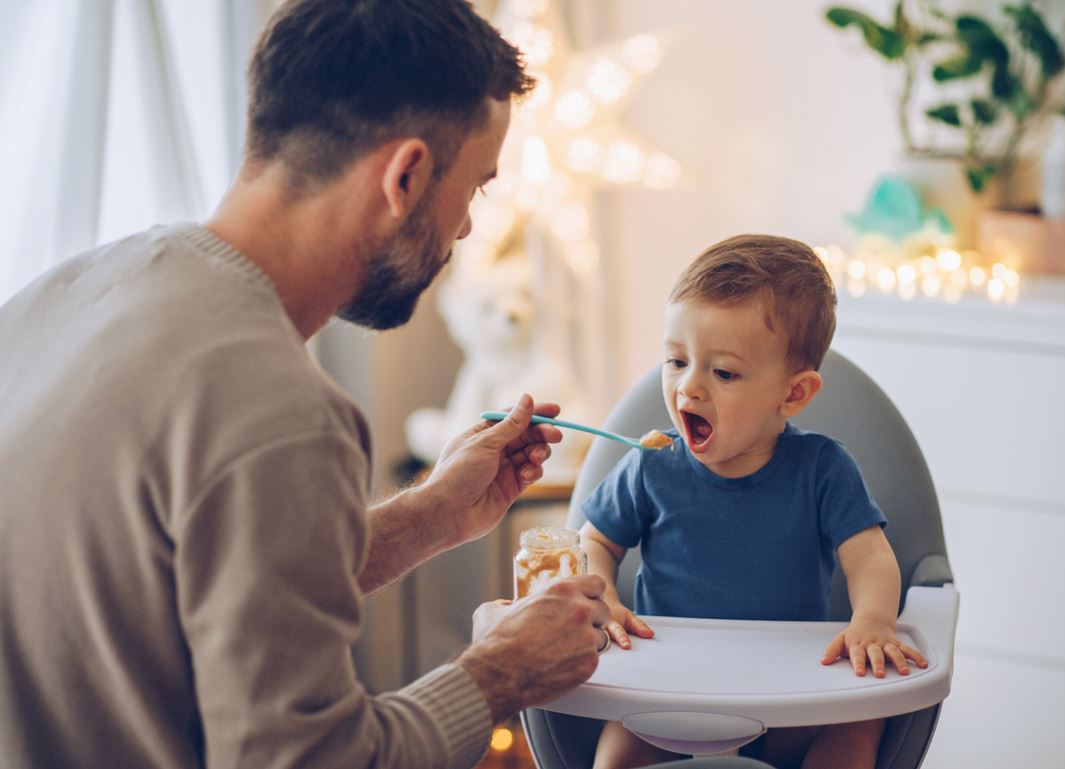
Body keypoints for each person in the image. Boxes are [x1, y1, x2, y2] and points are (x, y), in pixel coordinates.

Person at [0, 2, 615, 768]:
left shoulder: (60, 295)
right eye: (478, 188)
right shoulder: (281, 411)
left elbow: (181, 578)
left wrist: (429, 515)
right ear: (407, 175)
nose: (463, 231)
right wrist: (497, 673)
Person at [579, 235, 929, 769]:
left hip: (794, 697)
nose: (687, 389)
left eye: (723, 373)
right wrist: (602, 594)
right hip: (670, 696)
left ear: (793, 394)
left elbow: (869, 556)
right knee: (615, 756)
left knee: (859, 728)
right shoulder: (653, 464)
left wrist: (874, 620)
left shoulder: (822, 469)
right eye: (676, 361)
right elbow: (594, 539)